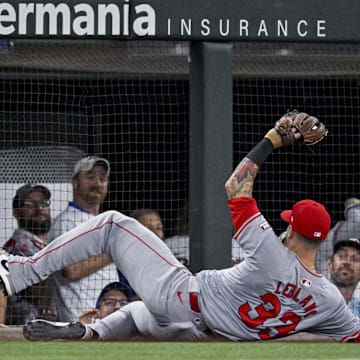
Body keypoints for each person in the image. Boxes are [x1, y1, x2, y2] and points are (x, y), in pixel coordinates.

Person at [1, 111, 360, 342]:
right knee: (138, 314)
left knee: (111, 223)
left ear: (293, 231)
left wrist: (273, 140)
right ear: (324, 239)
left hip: (182, 298)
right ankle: (87, 333)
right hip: (201, 335)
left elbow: (236, 186)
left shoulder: (272, 253)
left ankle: (17, 272)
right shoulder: (326, 300)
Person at [48, 156, 118, 321]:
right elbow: (71, 270)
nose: (97, 183)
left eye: (102, 178)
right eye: (90, 177)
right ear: (75, 183)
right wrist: (113, 250)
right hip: (79, 320)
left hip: (104, 318)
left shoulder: (103, 221)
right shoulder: (66, 221)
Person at [2, 184, 54, 324]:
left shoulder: (45, 244)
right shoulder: (19, 246)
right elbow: (37, 288)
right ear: (16, 212)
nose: (40, 208)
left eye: (43, 203)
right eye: (30, 204)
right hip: (27, 327)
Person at [316, 197, 360, 278]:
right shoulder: (324, 249)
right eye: (342, 256)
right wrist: (354, 208)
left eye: (355, 259)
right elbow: (357, 221)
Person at [328, 238, 360, 317]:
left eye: (355, 259)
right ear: (330, 265)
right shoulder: (311, 301)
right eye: (342, 256)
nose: (347, 262)